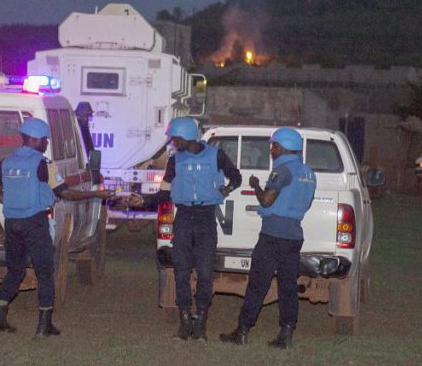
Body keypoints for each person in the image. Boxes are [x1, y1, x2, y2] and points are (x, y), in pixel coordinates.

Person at [0, 117, 114, 337]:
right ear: (35, 140)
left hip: (12, 223)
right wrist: (97, 194)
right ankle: (44, 325)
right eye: (44, 140)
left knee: (14, 271)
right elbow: (64, 193)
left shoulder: (4, 162)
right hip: (35, 222)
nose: (46, 144)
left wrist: (14, 203)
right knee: (45, 272)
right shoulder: (43, 164)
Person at [128, 117, 241, 341]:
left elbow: (236, 176)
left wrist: (226, 190)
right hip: (184, 218)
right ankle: (185, 320)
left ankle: (201, 321)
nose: (173, 143)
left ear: (187, 136)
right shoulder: (174, 161)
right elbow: (163, 193)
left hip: (206, 218)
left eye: (175, 138)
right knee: (181, 271)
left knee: (206, 272)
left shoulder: (215, 155)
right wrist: (142, 202)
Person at [220, 127, 316, 349]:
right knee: (288, 286)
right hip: (294, 235)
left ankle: (242, 330)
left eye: (273, 145)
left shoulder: (282, 171)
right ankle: (286, 333)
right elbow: (307, 203)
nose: (271, 150)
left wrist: (255, 186)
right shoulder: (308, 173)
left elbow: (266, 200)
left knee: (257, 285)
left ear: (282, 147)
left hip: (273, 235)